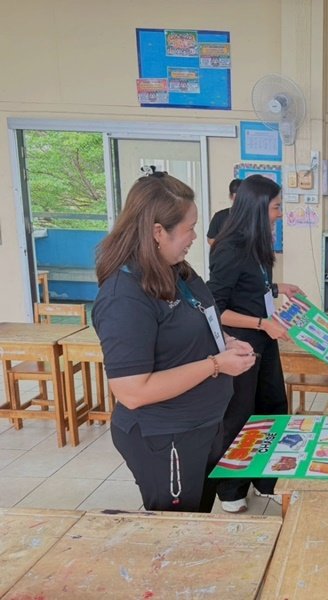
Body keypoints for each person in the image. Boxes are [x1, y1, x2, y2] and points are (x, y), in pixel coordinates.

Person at [93, 172, 255, 513]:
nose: (195, 237)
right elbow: (132, 391)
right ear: (157, 232)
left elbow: (200, 320)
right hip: (165, 436)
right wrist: (215, 364)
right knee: (178, 529)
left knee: (196, 518)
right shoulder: (124, 296)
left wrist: (226, 342)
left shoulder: (177, 270)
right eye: (189, 228)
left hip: (203, 426)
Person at [207, 174, 303, 513]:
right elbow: (216, 309)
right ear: (258, 208)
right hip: (241, 345)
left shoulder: (257, 244)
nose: (280, 213)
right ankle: (231, 489)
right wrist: (262, 323)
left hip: (265, 339)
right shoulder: (229, 248)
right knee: (240, 415)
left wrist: (277, 288)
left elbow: (250, 286)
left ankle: (266, 481)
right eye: (276, 207)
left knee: (272, 407)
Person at [207, 178, 241, 245]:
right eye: (236, 199)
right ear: (230, 197)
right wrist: (223, 246)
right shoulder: (219, 216)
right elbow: (210, 239)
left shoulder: (251, 217)